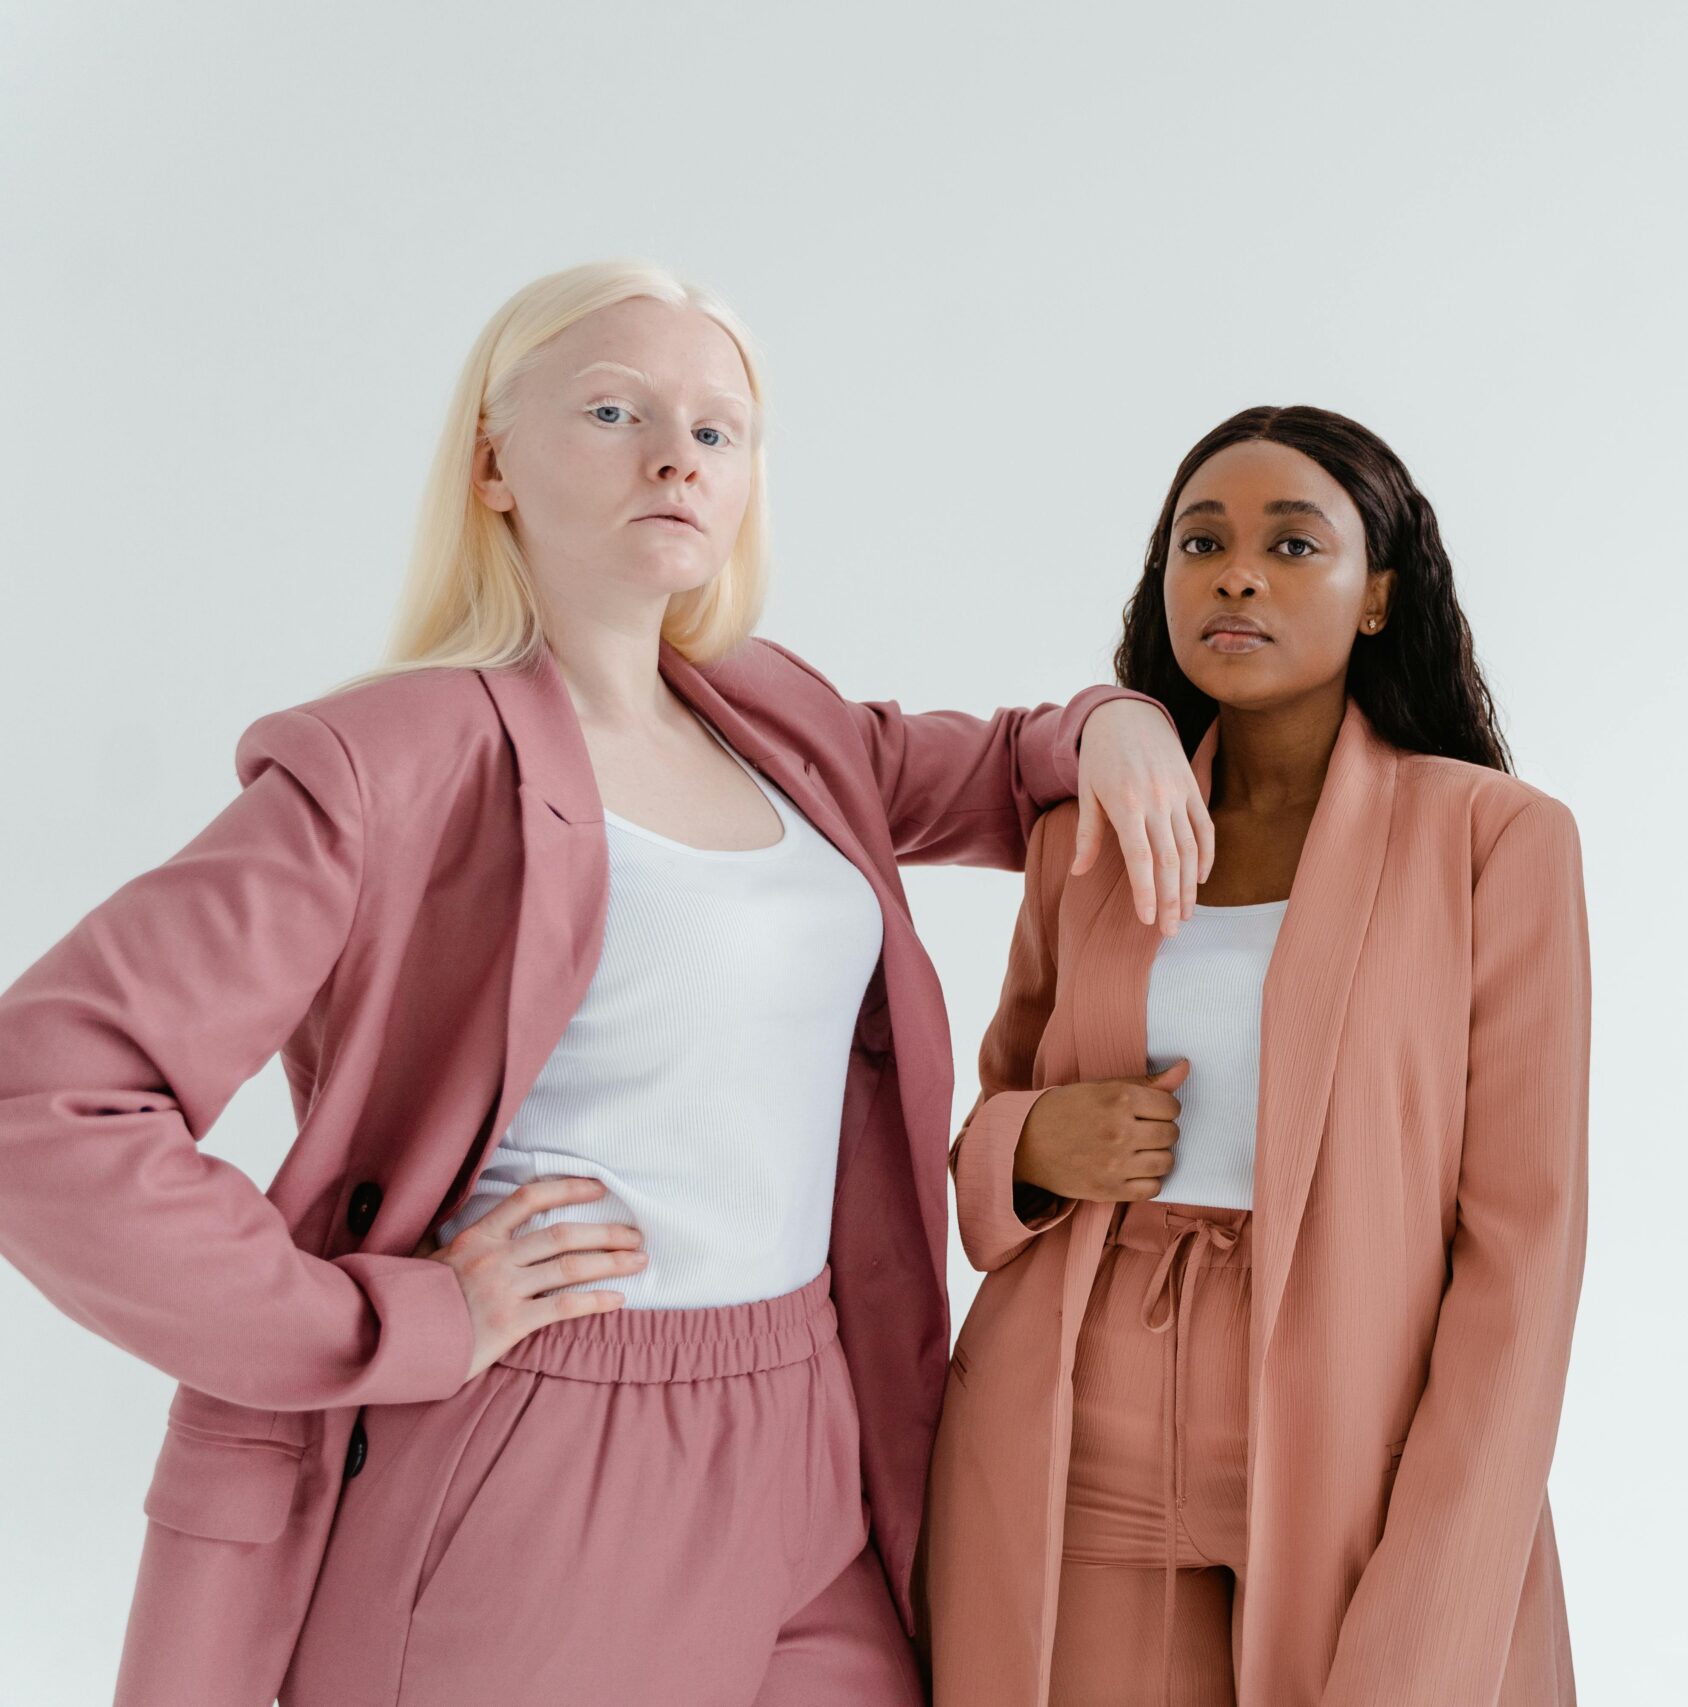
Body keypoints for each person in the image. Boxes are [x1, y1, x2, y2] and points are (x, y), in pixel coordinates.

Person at [0, 260, 1210, 1707]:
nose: (673, 457)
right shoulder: (390, 762)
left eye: (716, 430)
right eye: (614, 409)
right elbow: (46, 1101)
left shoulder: (779, 720)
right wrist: (392, 1321)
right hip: (542, 1447)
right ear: (494, 464)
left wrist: (1119, 719)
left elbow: (1008, 764)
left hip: (819, 1427)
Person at [924, 405, 1589, 1705]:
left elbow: (1526, 1243)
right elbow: (990, 1131)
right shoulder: (1085, 837)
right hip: (1070, 1437)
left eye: (1295, 545)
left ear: (1380, 595)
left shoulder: (1495, 841)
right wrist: (1030, 1148)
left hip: (1353, 1436)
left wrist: (1449, 1583)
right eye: (1202, 541)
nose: (1237, 572)